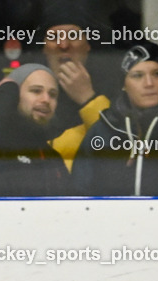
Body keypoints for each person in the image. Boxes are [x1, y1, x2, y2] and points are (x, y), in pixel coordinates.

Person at [72, 41, 158, 197]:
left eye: (157, 74)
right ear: (124, 84)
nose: (149, 83)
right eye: (137, 75)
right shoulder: (103, 132)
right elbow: (79, 196)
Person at [0, 64, 70, 197]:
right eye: (36, 91)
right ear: (15, 97)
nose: (46, 99)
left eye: (53, 95)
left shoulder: (52, 157)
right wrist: (7, 90)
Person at [38, 2, 120, 171]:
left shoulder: (116, 86)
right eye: (53, 37)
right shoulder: (26, 89)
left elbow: (118, 150)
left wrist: (87, 98)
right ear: (44, 48)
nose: (63, 45)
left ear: (88, 45)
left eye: (73, 35)